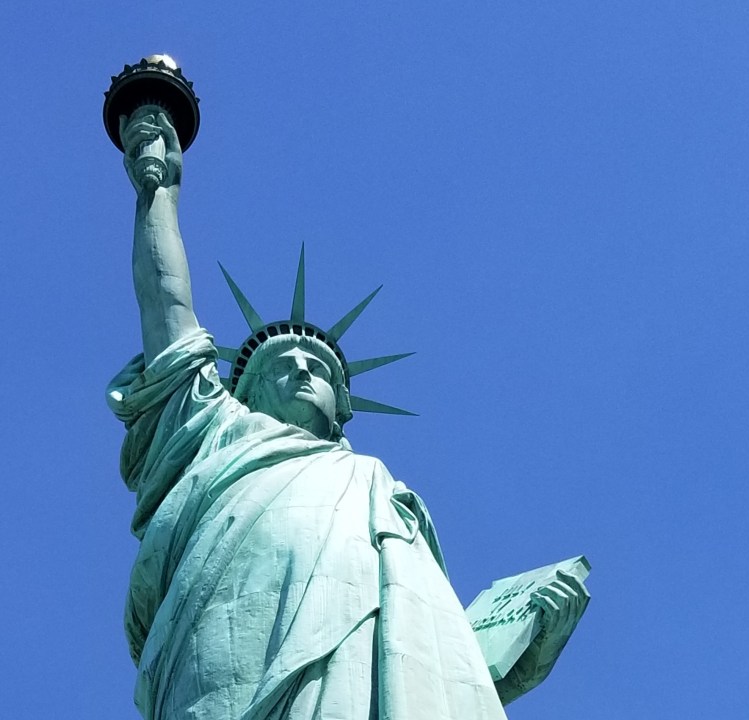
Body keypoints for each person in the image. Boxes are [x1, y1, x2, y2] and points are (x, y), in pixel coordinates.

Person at [107, 105, 588, 719]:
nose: (302, 371)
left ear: (341, 411)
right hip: (222, 654)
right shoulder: (213, 433)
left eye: (320, 370)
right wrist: (160, 193)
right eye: (278, 365)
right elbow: (165, 310)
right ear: (242, 393)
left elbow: (418, 654)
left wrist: (510, 652)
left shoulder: (381, 493)